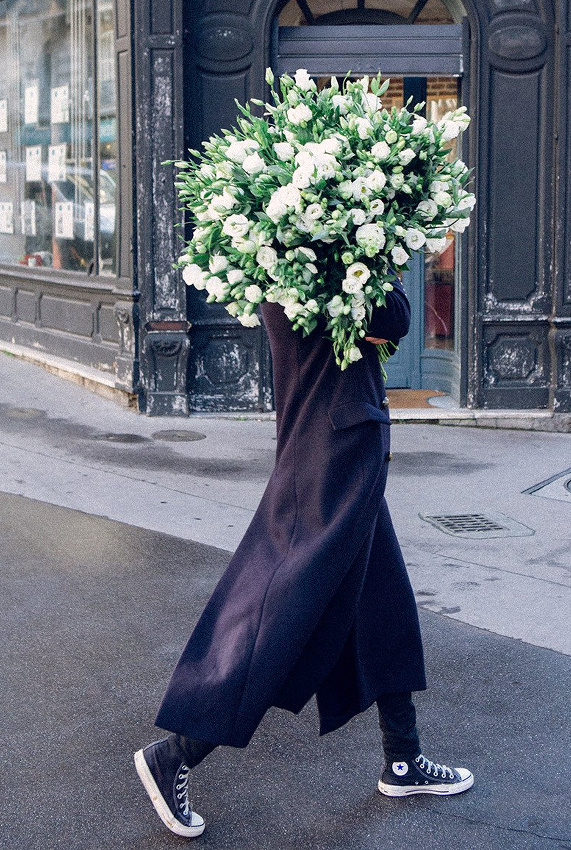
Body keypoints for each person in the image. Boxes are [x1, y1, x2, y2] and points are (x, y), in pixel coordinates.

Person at [134, 280, 474, 838]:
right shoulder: (321, 251)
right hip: (334, 456)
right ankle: (176, 753)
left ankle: (403, 758)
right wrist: (375, 258)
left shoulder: (285, 255)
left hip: (331, 445)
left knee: (382, 601)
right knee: (281, 617)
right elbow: (394, 319)